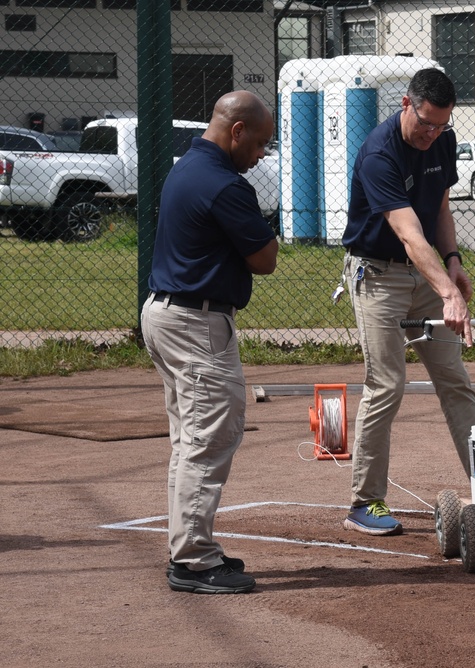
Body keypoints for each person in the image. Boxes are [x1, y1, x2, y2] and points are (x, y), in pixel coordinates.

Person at [141, 90, 278, 592]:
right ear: (236, 131)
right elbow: (266, 259)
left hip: (165, 315)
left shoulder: (186, 166)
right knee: (208, 438)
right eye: (259, 143)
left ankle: (191, 546)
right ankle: (194, 560)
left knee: (189, 439)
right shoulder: (224, 184)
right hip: (197, 324)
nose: (261, 154)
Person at [340, 68, 475, 536]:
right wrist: (448, 293)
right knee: (387, 383)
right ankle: (366, 501)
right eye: (425, 122)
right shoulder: (378, 153)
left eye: (441, 125)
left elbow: (439, 207)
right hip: (379, 275)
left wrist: (454, 261)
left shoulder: (442, 140)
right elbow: (407, 232)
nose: (431, 133)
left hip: (427, 273)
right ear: (405, 104)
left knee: (455, 379)